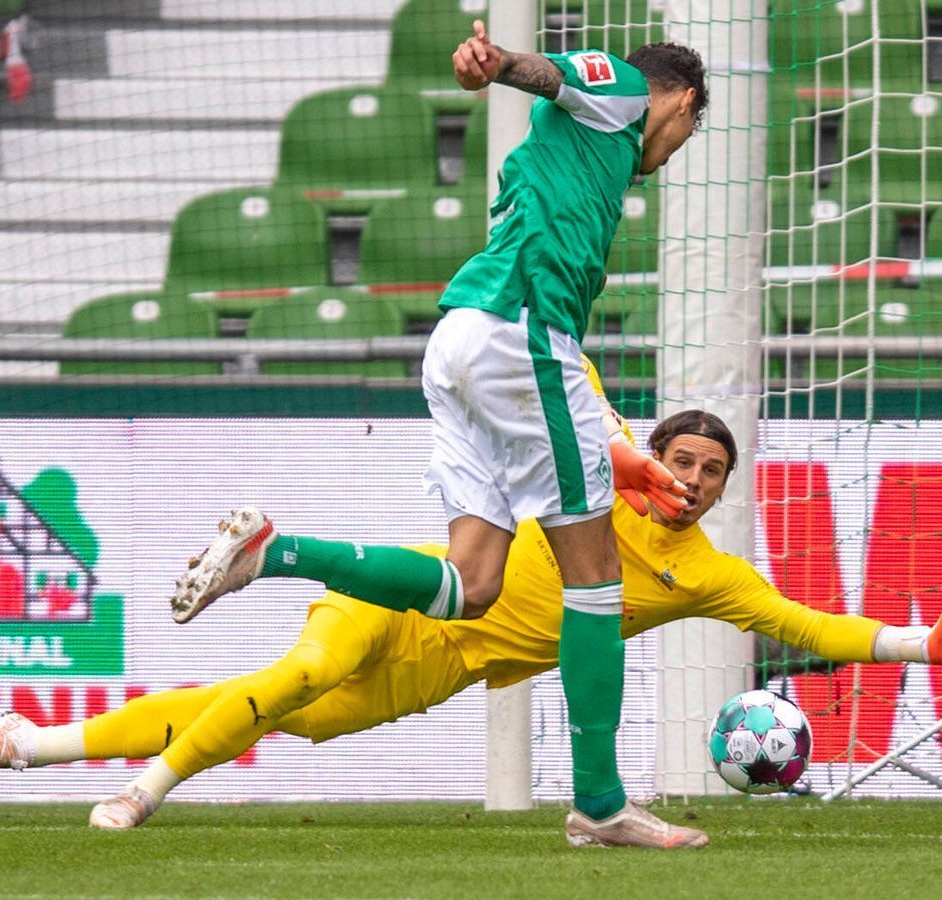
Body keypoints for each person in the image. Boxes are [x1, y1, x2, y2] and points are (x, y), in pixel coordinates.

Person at [0, 410, 942, 846]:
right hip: (412, 590)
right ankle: (144, 790)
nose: (689, 482)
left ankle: (22, 743)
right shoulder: (593, 472)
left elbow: (807, 623)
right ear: (654, 459)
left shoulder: (706, 574)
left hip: (440, 673)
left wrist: (915, 647)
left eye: (709, 473)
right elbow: (577, 380)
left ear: (722, 490)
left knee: (264, 709)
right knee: (309, 662)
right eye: (679, 462)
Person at [160, 23, 711, 845]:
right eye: (683, 137)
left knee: (472, 585)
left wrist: (498, 71)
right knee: (596, 578)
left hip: (459, 340)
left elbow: (552, 90)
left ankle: (274, 553)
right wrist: (498, 64)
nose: (664, 156)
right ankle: (600, 803)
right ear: (685, 104)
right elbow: (556, 71)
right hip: (521, 335)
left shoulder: (578, 144)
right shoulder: (627, 93)